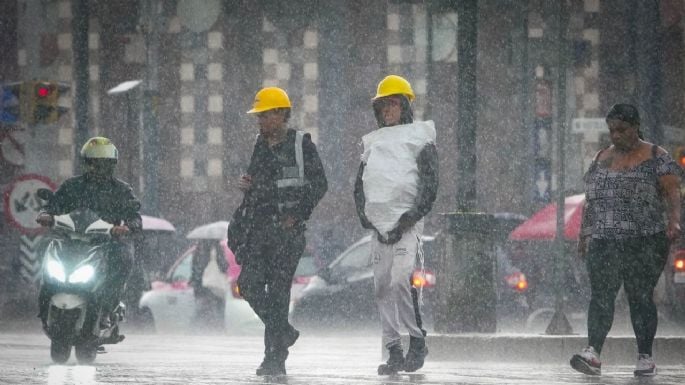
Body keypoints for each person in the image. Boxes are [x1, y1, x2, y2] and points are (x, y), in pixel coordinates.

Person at [570, 104, 682, 377]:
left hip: (644, 239)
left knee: (640, 296)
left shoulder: (657, 156)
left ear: (635, 127)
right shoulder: (601, 158)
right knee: (601, 296)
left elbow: (672, 192)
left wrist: (674, 221)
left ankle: (645, 356)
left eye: (621, 130)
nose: (616, 135)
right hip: (605, 239)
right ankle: (593, 352)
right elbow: (590, 201)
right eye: (612, 130)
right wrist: (585, 234)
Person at [231, 86, 327, 376]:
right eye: (258, 116)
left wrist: (297, 214)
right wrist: (247, 186)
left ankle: (274, 358)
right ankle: (283, 331)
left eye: (264, 115)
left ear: (280, 114)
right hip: (260, 230)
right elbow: (259, 185)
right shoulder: (258, 145)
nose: (259, 121)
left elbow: (320, 184)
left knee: (278, 294)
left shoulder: (301, 144)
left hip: (288, 233)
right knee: (247, 285)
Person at [353, 75, 439, 375]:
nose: (387, 111)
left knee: (401, 278)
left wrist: (411, 216)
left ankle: (417, 340)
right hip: (379, 226)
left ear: (404, 106)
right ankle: (393, 349)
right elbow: (360, 185)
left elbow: (429, 185)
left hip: (407, 223)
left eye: (392, 104)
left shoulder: (421, 139)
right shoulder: (372, 143)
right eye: (383, 106)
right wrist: (367, 217)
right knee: (380, 286)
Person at [36, 137, 142, 329]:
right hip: (71, 239)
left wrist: (126, 227)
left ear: (112, 165)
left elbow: (134, 215)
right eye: (94, 164)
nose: (98, 169)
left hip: (107, 241)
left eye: (104, 164)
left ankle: (108, 308)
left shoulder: (121, 190)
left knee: (124, 257)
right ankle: (44, 302)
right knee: (44, 249)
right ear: (86, 164)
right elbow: (53, 204)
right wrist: (45, 214)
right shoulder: (72, 186)